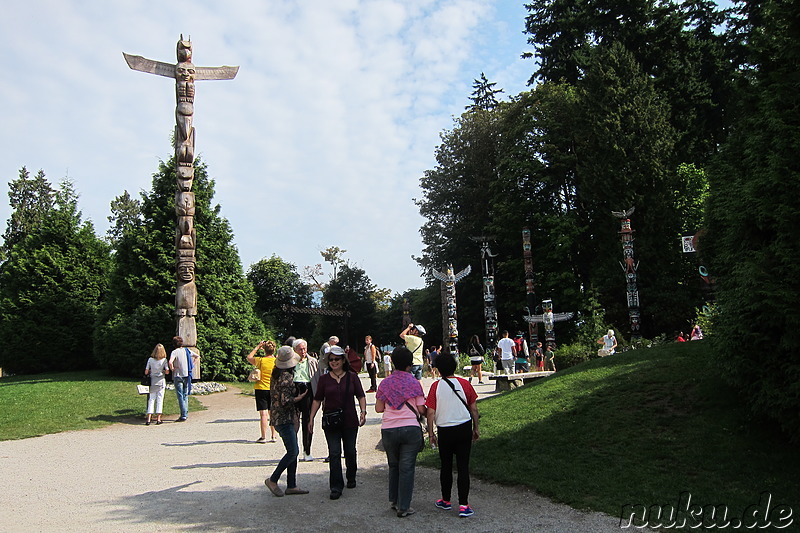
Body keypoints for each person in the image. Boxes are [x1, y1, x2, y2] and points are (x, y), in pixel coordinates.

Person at [309, 345, 367, 500]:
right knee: (334, 453)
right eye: (331, 360)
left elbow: (361, 396)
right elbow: (317, 399)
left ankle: (351, 476)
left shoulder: (352, 377)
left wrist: (363, 412)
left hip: (350, 420)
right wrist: (311, 419)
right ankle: (335, 486)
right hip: (331, 421)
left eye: (336, 359)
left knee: (350, 451)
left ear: (343, 360)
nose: (333, 362)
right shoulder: (324, 380)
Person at [426, 354, 480, 518]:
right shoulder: (464, 383)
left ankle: (446, 500)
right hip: (464, 427)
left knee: (446, 465)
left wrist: (430, 433)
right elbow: (474, 408)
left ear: (438, 369)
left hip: (445, 430)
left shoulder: (436, 386)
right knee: (463, 466)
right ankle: (464, 504)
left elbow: (430, 412)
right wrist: (476, 427)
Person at [375, 347, 427, 518]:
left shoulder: (385, 383)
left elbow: (378, 408)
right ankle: (404, 507)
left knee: (394, 465)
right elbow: (420, 408)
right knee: (407, 468)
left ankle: (393, 500)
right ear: (409, 365)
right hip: (410, 428)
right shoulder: (414, 383)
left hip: (389, 428)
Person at [264, 346, 310, 497]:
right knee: (293, 451)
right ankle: (273, 479)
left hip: (278, 417)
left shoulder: (276, 374)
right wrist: (300, 397)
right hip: (285, 418)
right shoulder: (287, 377)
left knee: (293, 449)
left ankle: (292, 485)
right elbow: (286, 401)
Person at [292, 338, 320, 461]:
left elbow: (318, 378)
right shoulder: (290, 362)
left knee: (308, 421)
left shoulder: (313, 361)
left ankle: (307, 450)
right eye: (300, 349)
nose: (303, 351)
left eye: (304, 349)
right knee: (293, 422)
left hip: (309, 390)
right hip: (294, 390)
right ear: (294, 350)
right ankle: (293, 451)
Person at [246, 340, 277, 443]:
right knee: (272, 412)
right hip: (273, 388)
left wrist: (257, 347)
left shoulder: (260, 360)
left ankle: (263, 437)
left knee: (263, 414)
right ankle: (274, 435)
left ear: (264, 350)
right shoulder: (276, 361)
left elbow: (249, 357)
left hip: (261, 388)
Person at [168, 336, 197, 421]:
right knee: (185, 395)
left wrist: (172, 368)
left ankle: (183, 414)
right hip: (187, 374)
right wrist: (192, 365)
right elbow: (197, 356)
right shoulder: (187, 350)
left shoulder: (174, 352)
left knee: (180, 395)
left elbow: (170, 362)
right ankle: (185, 413)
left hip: (178, 375)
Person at [144, 343, 170, 425]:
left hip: (152, 381)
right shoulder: (164, 360)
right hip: (161, 381)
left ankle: (149, 418)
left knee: (151, 399)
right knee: (160, 399)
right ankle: (158, 418)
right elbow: (167, 371)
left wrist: (152, 371)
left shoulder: (150, 360)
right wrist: (162, 371)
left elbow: (146, 371)